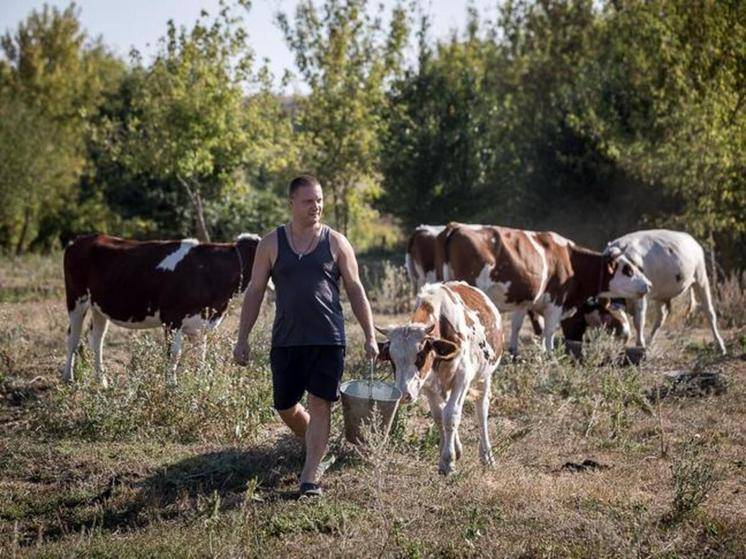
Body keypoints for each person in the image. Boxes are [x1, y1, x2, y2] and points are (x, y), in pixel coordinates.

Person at [233, 174, 379, 497]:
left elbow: (355, 290)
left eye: (320, 200)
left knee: (320, 403)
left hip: (327, 338)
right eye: (309, 201)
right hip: (286, 339)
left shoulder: (336, 242)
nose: (317, 206)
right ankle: (316, 442)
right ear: (292, 203)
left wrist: (369, 334)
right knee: (285, 404)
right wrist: (242, 338)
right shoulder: (271, 243)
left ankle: (309, 476)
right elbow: (255, 291)